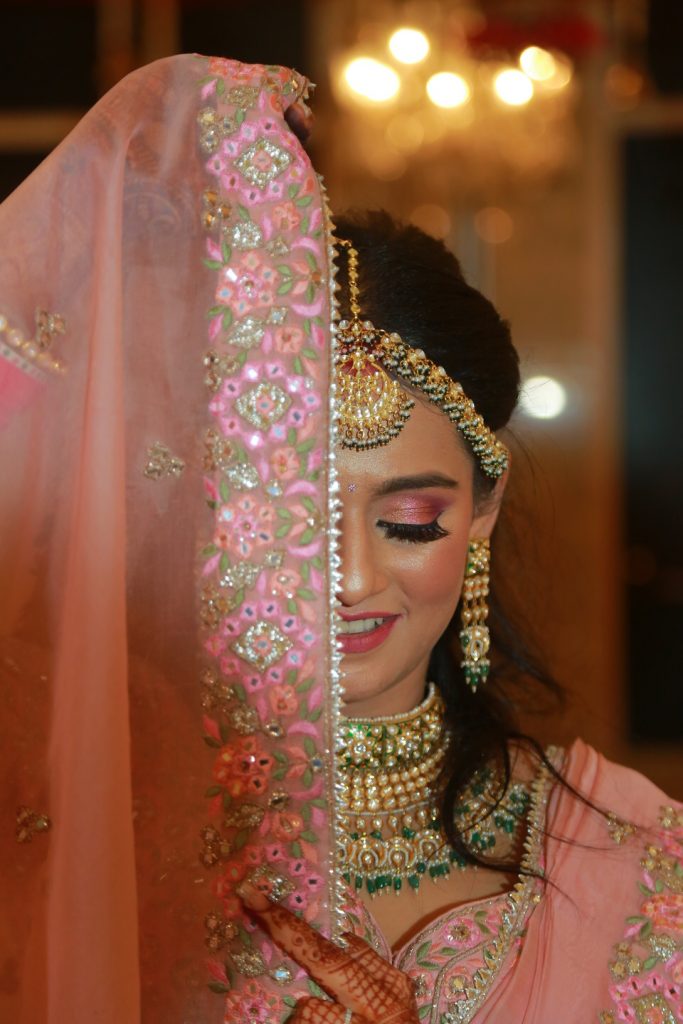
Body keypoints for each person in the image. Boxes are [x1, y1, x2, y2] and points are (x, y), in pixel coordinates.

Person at [0, 54, 680, 1024]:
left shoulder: (637, 867)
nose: (349, 577)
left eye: (407, 521)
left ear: (481, 510)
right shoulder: (75, 847)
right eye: (291, 522)